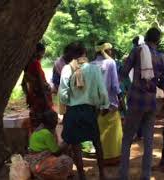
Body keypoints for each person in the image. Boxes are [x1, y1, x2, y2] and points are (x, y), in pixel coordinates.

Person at [119, 27, 164, 180]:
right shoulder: (162, 57)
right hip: (151, 102)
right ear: (158, 41)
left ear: (146, 38)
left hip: (135, 100)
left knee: (127, 139)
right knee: (148, 140)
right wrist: (153, 82)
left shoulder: (137, 51)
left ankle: (123, 176)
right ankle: (145, 176)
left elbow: (123, 72)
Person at [59, 43, 108, 180]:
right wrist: (104, 105)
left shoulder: (67, 69)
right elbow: (102, 92)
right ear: (84, 53)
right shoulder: (94, 69)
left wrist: (72, 99)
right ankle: (102, 174)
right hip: (89, 111)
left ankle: (82, 176)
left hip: (73, 112)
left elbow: (63, 95)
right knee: (97, 143)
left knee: (76, 146)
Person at [91, 42, 123, 165]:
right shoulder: (110, 63)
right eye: (110, 50)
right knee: (114, 131)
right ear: (106, 51)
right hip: (110, 104)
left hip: (97, 105)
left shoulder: (91, 64)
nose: (112, 52)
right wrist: (120, 99)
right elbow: (115, 85)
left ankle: (102, 157)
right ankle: (114, 158)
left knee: (101, 130)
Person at [25, 110, 73, 180]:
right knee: (67, 160)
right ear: (51, 122)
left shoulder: (38, 130)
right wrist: (66, 143)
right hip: (38, 162)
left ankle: (40, 174)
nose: (57, 121)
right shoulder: (46, 134)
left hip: (32, 160)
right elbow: (56, 152)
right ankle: (46, 175)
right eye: (56, 119)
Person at [22, 43, 53, 131]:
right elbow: (41, 84)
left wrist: (29, 96)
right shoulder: (35, 64)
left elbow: (23, 84)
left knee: (36, 122)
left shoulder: (27, 66)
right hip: (41, 99)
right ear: (39, 52)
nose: (42, 56)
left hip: (34, 98)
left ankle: (34, 141)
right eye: (43, 53)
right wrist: (47, 101)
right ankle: (43, 142)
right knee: (45, 122)